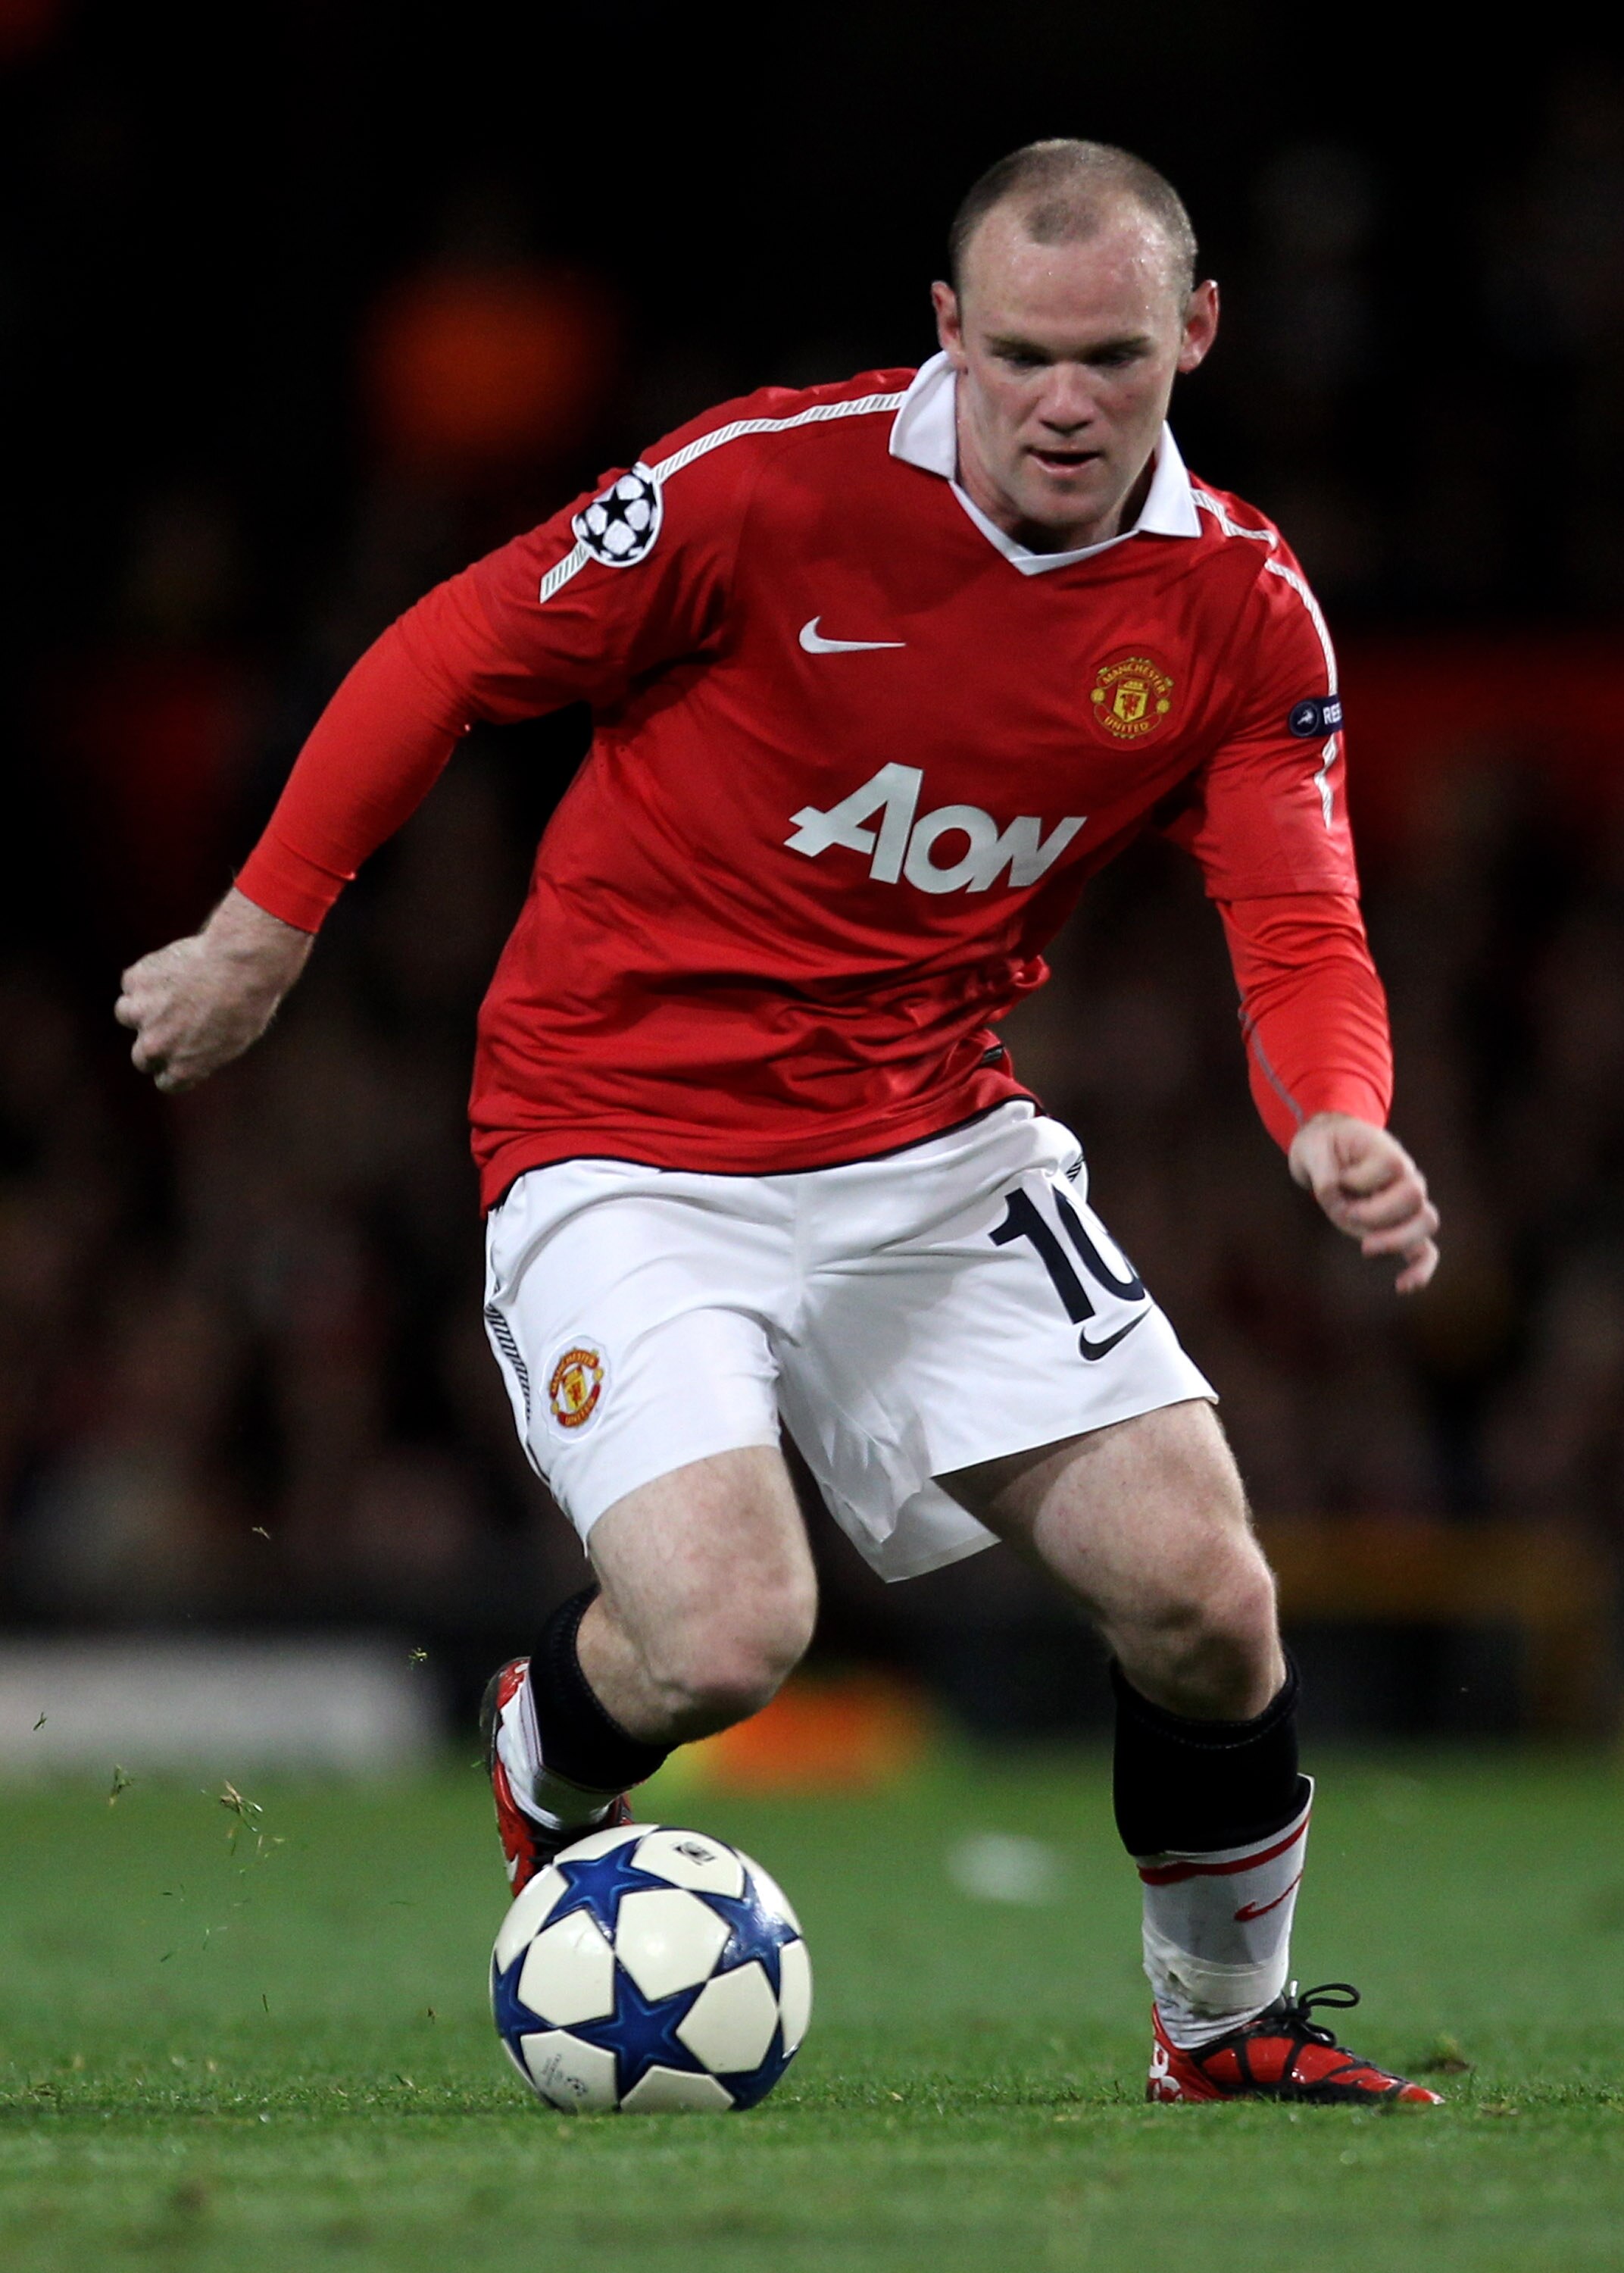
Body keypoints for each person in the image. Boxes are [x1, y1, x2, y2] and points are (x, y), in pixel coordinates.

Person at [116, 139, 1443, 2106]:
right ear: (947, 334)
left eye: (1114, 357)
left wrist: (1339, 1113)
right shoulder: (765, 487)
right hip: (618, 1137)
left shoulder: (1241, 611)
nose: (1066, 401)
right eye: (1019, 356)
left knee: (1208, 1597)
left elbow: (1300, 923)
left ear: (1199, 333)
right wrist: (260, 931)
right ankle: (545, 1744)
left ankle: (1225, 2029)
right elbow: (457, 650)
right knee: (731, 1633)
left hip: (929, 1147)